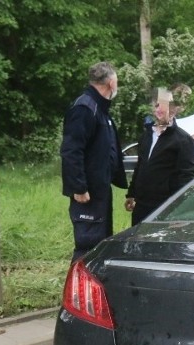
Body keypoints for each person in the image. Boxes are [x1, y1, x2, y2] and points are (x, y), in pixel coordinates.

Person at [60, 61, 128, 261]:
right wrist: (78, 187)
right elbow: (71, 150)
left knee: (101, 243)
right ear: (111, 83)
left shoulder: (101, 109)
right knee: (88, 245)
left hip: (100, 190)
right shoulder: (84, 108)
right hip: (87, 194)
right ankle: (77, 291)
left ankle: (96, 289)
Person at [124, 85, 194, 225]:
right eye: (156, 105)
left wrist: (180, 210)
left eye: (165, 106)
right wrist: (131, 194)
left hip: (165, 207)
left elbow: (186, 177)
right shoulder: (146, 135)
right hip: (142, 206)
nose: (159, 109)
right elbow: (140, 166)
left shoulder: (183, 140)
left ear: (174, 109)